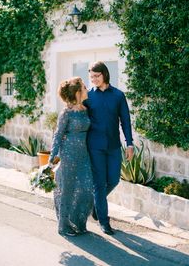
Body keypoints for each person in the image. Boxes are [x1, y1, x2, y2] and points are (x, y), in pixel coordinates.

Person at [84, 61, 134, 235]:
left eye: (96, 76)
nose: (94, 79)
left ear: (104, 74)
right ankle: (104, 222)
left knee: (113, 180)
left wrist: (129, 143)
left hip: (113, 145)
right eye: (91, 77)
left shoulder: (118, 96)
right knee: (99, 184)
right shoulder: (88, 97)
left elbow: (125, 122)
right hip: (94, 146)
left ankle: (97, 205)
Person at [48, 77, 93, 237]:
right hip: (68, 154)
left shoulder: (85, 109)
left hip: (83, 154)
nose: (87, 89)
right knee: (67, 189)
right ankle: (63, 226)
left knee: (87, 189)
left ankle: (77, 220)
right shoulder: (66, 113)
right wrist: (52, 156)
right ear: (77, 92)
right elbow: (58, 135)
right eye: (84, 87)